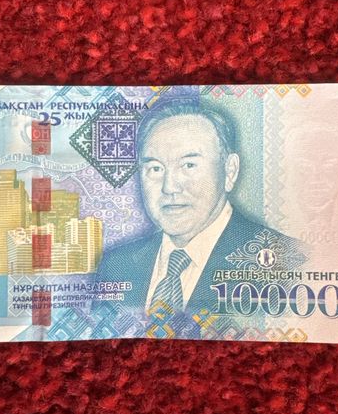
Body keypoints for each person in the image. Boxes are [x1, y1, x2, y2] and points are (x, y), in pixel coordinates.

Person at [94, 97, 303, 323]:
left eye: (189, 165)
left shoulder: (288, 262)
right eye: (155, 168)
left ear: (230, 171)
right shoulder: (116, 265)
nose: (169, 187)